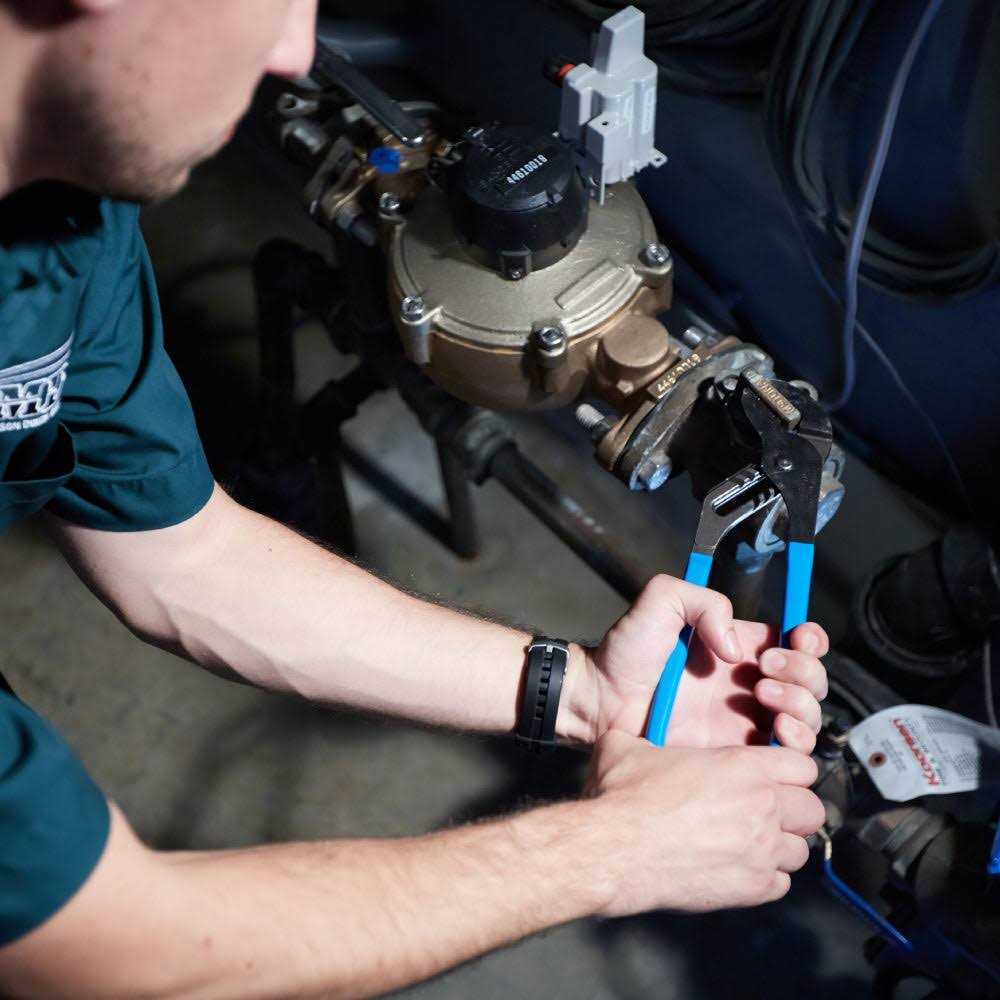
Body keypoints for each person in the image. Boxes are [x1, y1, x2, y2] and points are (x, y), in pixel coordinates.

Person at [0, 2, 830, 996]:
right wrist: (616, 850)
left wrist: (583, 692)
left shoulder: (64, 223)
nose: (296, 53)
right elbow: (115, 958)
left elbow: (179, 556)